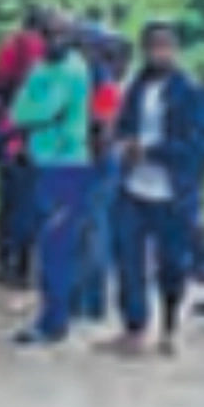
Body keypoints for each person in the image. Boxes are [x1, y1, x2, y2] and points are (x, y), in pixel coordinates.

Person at [106, 20, 204, 356]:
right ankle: (135, 326)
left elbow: (195, 146)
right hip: (134, 185)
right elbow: (122, 126)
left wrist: (150, 151)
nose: (159, 53)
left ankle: (169, 326)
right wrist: (122, 144)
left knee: (171, 263)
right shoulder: (136, 87)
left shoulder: (188, 91)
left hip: (172, 190)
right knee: (129, 259)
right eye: (153, 46)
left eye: (166, 46)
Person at [8, 16, 94, 346]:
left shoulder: (73, 69)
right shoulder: (41, 67)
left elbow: (36, 111)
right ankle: (51, 314)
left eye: (62, 34)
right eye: (49, 34)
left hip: (67, 165)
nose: (55, 40)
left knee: (58, 245)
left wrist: (24, 114)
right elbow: (20, 110)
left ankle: (55, 320)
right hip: (41, 163)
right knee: (47, 245)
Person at [0, 7, 53, 289]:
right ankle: (25, 267)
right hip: (37, 139)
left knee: (11, 202)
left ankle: (8, 264)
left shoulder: (8, 48)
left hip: (10, 135)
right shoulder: (37, 49)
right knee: (34, 203)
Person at [75, 28, 128, 325]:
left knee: (95, 230)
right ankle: (86, 299)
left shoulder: (100, 80)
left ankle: (91, 301)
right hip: (91, 160)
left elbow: (104, 125)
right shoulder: (93, 78)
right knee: (90, 231)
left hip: (95, 164)